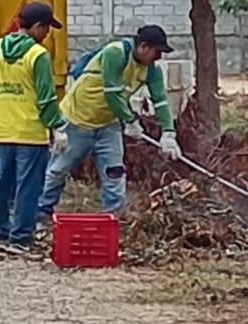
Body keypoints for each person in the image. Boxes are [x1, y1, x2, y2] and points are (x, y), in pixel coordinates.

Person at [38, 25, 182, 219]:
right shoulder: (116, 53)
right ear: (143, 47)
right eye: (157, 52)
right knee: (58, 170)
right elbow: (112, 93)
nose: (159, 57)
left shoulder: (151, 70)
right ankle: (41, 211)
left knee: (114, 172)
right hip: (76, 121)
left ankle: (114, 217)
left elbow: (161, 100)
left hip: (108, 125)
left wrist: (169, 133)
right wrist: (130, 121)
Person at [0, 0, 64, 253]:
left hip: (3, 131)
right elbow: (46, 98)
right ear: (36, 26)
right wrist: (56, 127)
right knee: (28, 186)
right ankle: (21, 238)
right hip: (31, 133)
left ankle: (0, 234)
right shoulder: (38, 55)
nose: (47, 34)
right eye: (46, 28)